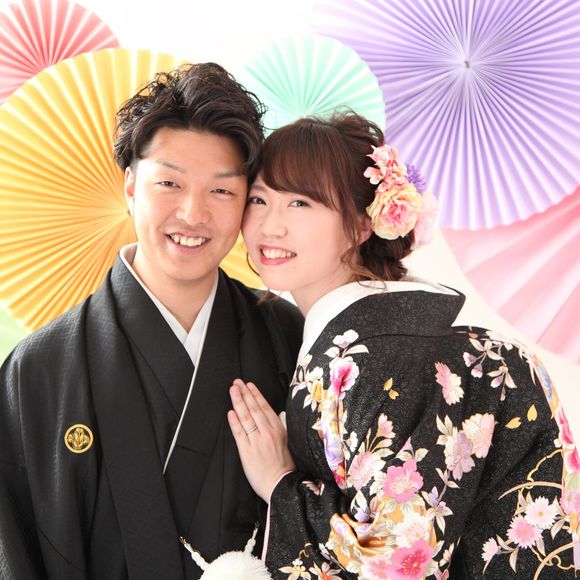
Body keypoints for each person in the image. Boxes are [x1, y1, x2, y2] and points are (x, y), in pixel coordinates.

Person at [228, 112, 580, 579]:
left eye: (300, 203)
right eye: (259, 199)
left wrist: (280, 483)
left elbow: (397, 561)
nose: (270, 226)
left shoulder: (390, 358)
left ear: (361, 225)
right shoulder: (380, 342)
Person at [0, 63, 303, 580]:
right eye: (169, 182)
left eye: (222, 191)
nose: (193, 214)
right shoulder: (40, 370)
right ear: (129, 187)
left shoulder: (288, 335)